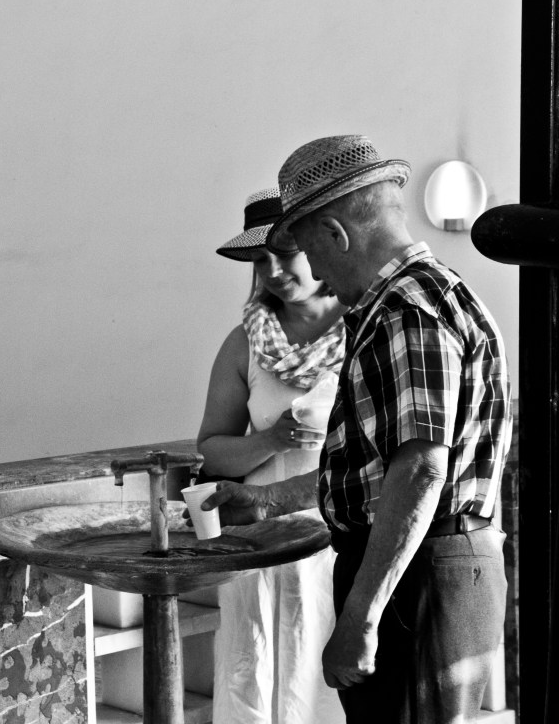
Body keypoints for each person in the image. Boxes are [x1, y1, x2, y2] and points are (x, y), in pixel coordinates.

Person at [198, 135, 511, 724]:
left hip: (415, 576)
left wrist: (362, 617)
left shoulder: (404, 310)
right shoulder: (426, 295)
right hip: (426, 565)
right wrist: (266, 499)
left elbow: (419, 467)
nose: (311, 271)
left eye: (306, 251)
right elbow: (379, 467)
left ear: (337, 235)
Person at [198, 187, 346, 724]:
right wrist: (272, 440)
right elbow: (212, 449)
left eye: (287, 252)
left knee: (327, 674)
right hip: (256, 540)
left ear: (321, 246)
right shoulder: (245, 342)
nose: (275, 269)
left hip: (337, 536)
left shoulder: (365, 330)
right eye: (261, 259)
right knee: (254, 671)